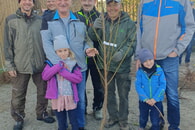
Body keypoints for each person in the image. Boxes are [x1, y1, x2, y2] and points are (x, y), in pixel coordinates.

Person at [136, 0, 195, 130]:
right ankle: (158, 121)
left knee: (171, 94)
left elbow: (189, 27)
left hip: (169, 57)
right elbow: (139, 30)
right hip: (148, 57)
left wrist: (177, 50)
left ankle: (174, 126)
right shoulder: (144, 2)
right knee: (152, 92)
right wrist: (139, 55)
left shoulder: (181, 2)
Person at [40, 0, 98, 129]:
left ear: (71, 2)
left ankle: (79, 125)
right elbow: (47, 44)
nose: (62, 2)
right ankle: (63, 125)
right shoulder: (47, 19)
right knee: (61, 99)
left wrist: (88, 49)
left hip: (78, 68)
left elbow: (86, 40)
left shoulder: (80, 19)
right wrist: (60, 65)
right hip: (58, 70)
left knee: (80, 99)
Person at [3, 0, 55, 130]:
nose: (27, 2)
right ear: (20, 3)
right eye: (24, 0)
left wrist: (48, 61)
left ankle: (42, 113)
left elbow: (46, 41)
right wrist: (10, 66)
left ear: (33, 3)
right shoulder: (11, 20)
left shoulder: (40, 20)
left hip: (39, 63)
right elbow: (7, 45)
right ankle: (18, 118)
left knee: (43, 91)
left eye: (30, 0)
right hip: (20, 65)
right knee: (18, 94)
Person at [88, 0, 136, 129]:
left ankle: (123, 120)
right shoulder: (102, 20)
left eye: (115, 4)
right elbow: (92, 37)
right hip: (105, 66)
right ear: (106, 6)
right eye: (109, 5)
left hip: (122, 67)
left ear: (120, 6)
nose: (112, 8)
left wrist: (122, 53)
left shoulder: (129, 24)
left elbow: (132, 43)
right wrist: (95, 27)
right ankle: (113, 117)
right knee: (108, 94)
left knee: (123, 95)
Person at [42, 35, 82, 130]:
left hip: (70, 97)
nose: (63, 53)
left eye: (65, 50)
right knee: (61, 120)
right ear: (55, 52)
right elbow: (45, 76)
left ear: (69, 50)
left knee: (73, 120)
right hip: (57, 97)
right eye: (60, 51)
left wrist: (64, 72)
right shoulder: (51, 63)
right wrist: (58, 67)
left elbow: (78, 79)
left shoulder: (73, 63)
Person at [75, 0, 104, 120]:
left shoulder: (100, 16)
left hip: (97, 57)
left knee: (98, 85)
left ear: (95, 2)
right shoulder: (75, 16)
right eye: (84, 0)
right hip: (81, 57)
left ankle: (98, 107)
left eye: (90, 0)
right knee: (80, 86)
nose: (87, 3)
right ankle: (83, 108)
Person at [135, 48, 166, 130]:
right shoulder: (140, 72)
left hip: (156, 101)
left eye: (150, 59)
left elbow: (163, 86)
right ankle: (142, 127)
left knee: (155, 120)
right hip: (144, 101)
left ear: (153, 59)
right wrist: (145, 98)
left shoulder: (159, 71)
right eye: (145, 61)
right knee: (142, 117)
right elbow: (138, 86)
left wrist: (155, 99)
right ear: (141, 62)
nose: (148, 63)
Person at [179, 2, 195, 66]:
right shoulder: (183, 11)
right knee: (181, 47)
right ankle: (179, 61)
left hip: (191, 33)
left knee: (189, 48)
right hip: (183, 32)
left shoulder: (193, 12)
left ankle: (187, 61)